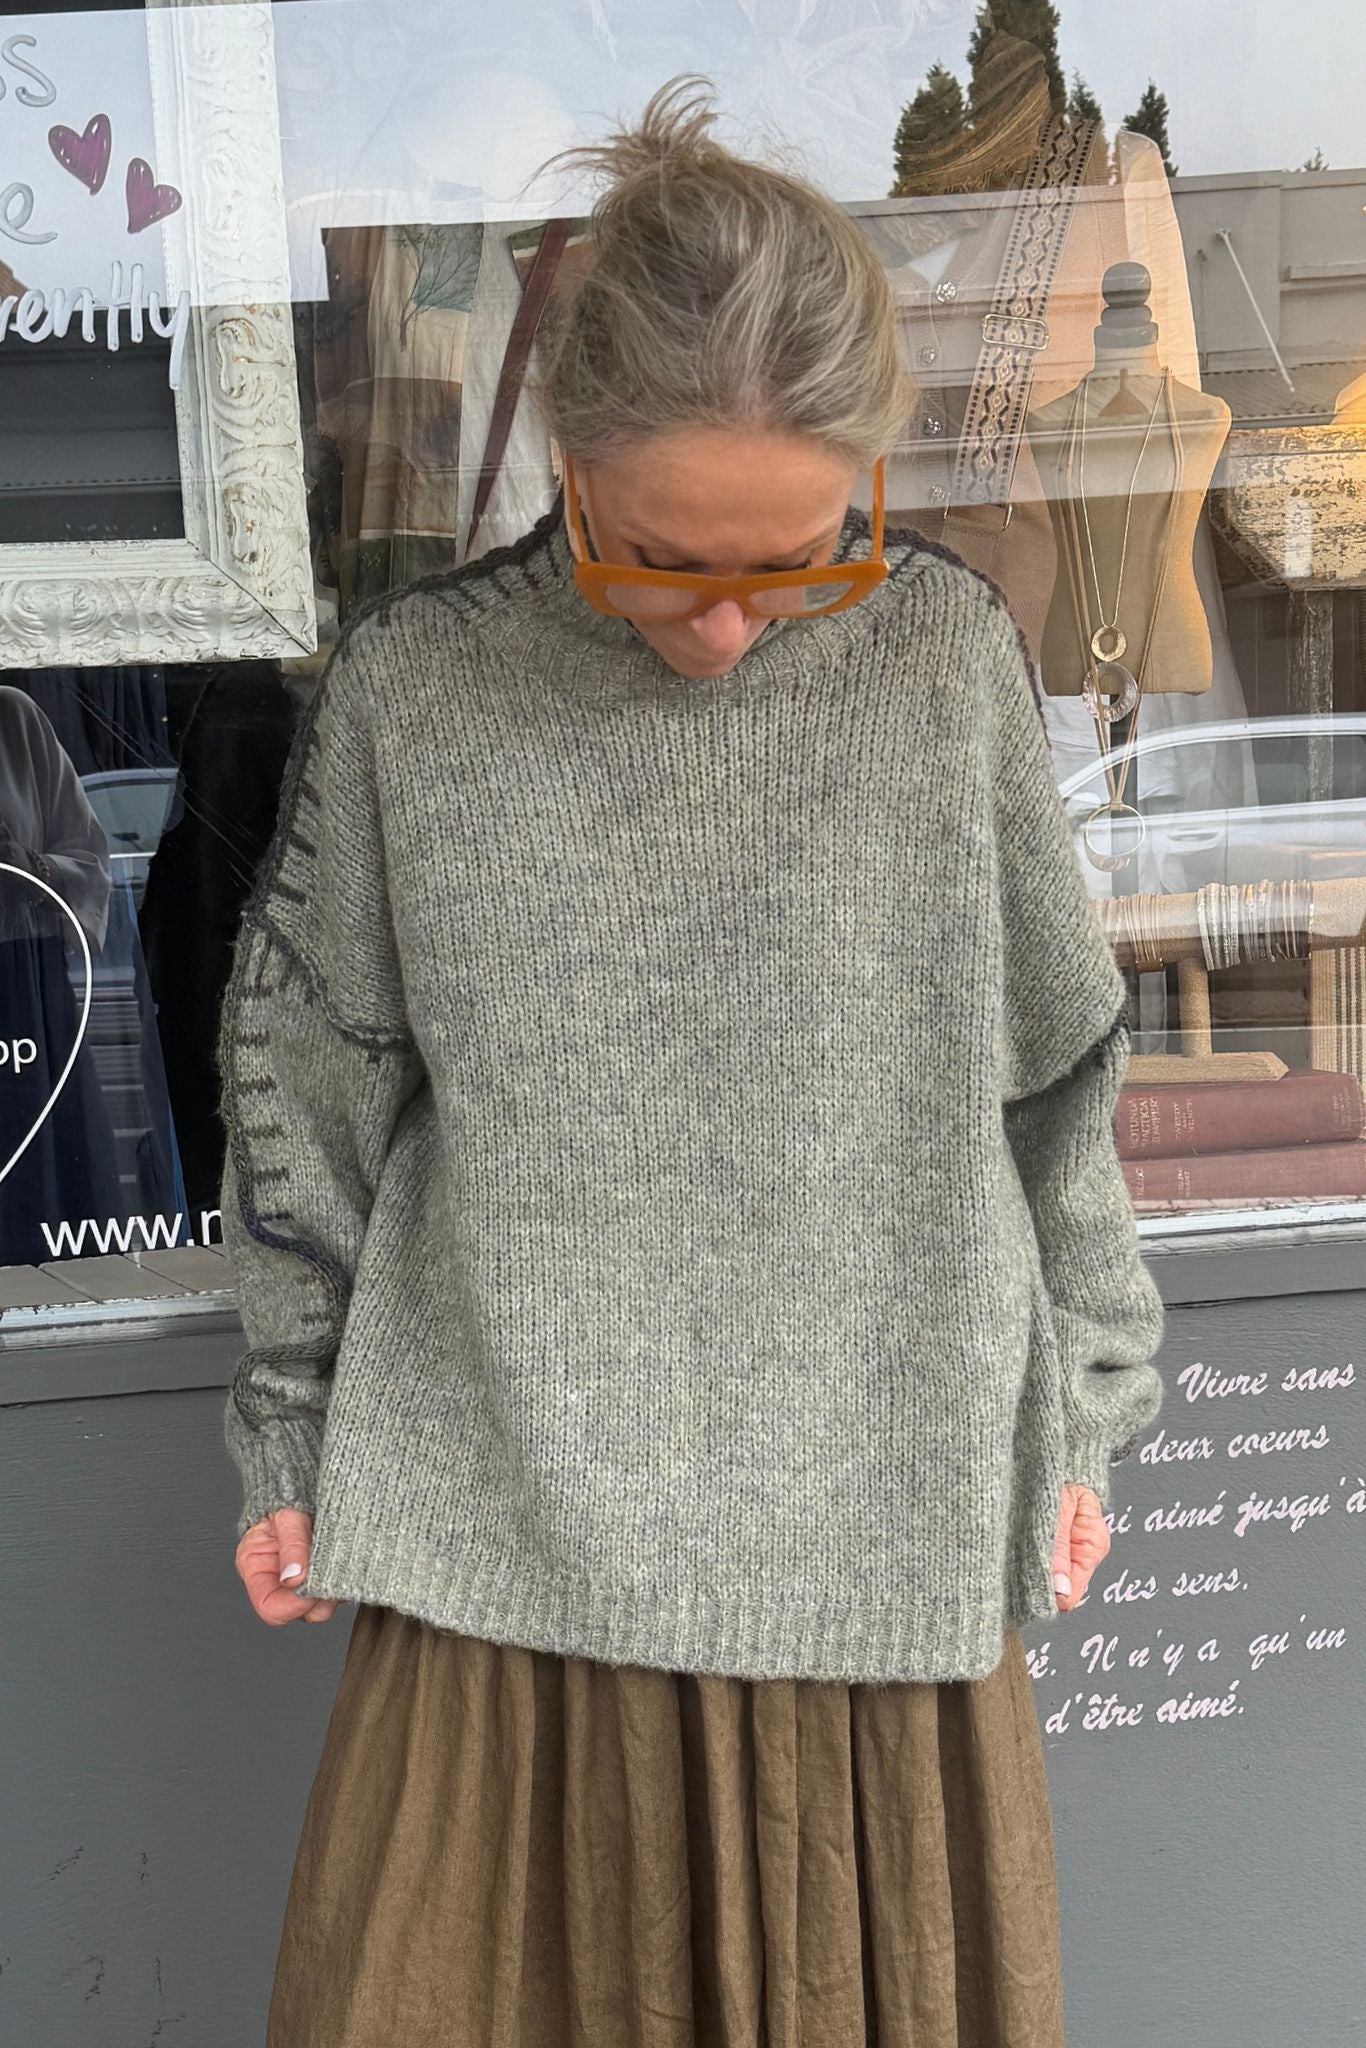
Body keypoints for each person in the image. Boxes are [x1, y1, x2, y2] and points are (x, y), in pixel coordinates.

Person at [216, 76, 1165, 2048]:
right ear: (567, 463)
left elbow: (1056, 1078)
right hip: (499, 1578)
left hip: (879, 1575)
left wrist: (1081, 1403)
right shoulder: (418, 695)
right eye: (657, 561)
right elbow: (307, 1084)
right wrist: (288, 1431)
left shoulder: (941, 668)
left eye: (798, 564)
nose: (728, 629)